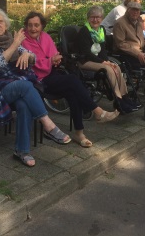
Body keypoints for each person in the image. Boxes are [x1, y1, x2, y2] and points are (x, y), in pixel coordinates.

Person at [0, 9, 71, 167]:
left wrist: (27, 55)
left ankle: (22, 151)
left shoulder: (8, 40)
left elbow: (32, 57)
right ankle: (48, 124)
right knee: (26, 85)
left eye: (1, 21)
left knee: (23, 104)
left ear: (6, 24)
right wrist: (16, 44)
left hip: (14, 85)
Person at [22, 11, 119, 148]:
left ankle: (79, 133)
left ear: (42, 26)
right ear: (26, 26)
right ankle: (97, 112)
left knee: (73, 91)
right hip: (37, 80)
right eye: (30, 25)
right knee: (73, 81)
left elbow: (54, 54)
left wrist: (55, 60)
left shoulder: (45, 37)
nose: (33, 28)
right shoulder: (23, 41)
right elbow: (33, 64)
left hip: (52, 74)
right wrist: (51, 61)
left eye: (36, 25)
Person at [77, 6, 140, 113]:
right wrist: (103, 62)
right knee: (108, 69)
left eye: (98, 17)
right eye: (92, 17)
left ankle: (125, 97)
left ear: (102, 19)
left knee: (115, 67)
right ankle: (118, 99)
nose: (95, 20)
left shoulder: (101, 30)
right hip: (85, 61)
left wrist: (107, 61)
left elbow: (102, 50)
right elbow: (86, 53)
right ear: (88, 18)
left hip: (97, 60)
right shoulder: (84, 31)